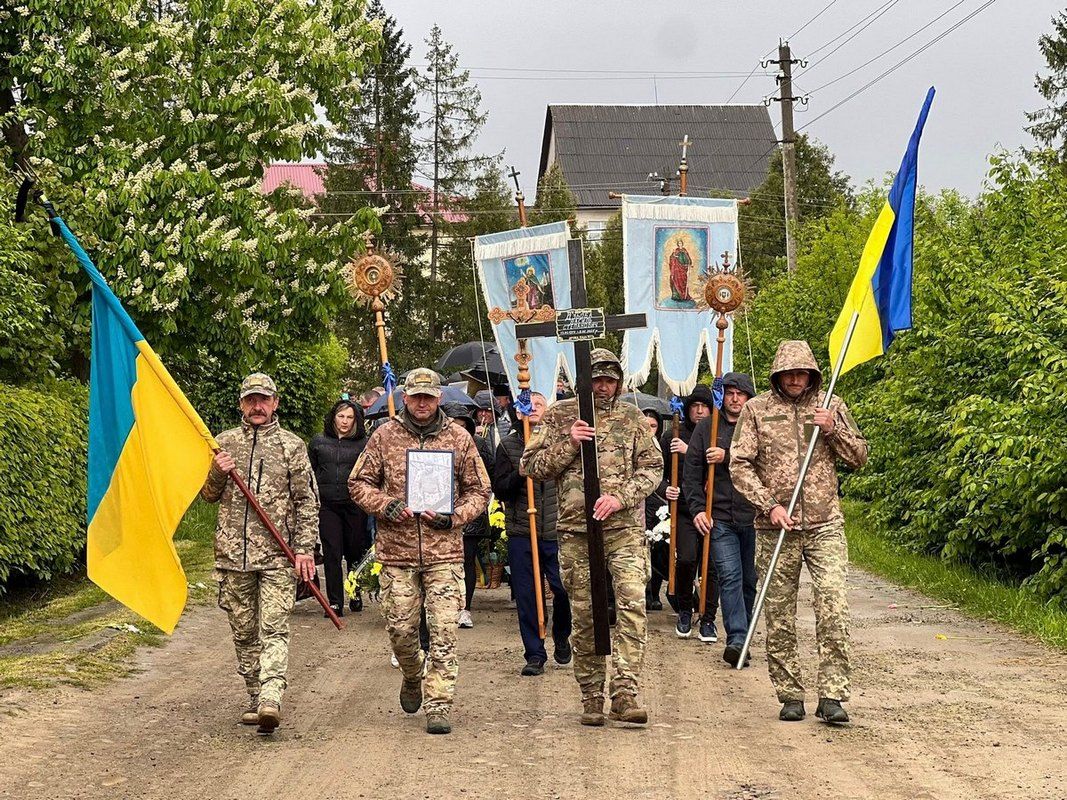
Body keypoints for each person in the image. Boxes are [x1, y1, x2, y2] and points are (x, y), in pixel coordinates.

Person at [521, 349, 663, 727]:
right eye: (596, 379)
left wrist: (621, 497)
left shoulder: (632, 417)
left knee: (632, 605)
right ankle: (591, 694)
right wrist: (569, 441)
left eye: (609, 379)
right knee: (584, 613)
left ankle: (625, 692)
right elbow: (530, 466)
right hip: (575, 531)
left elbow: (653, 468)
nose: (603, 386)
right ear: (584, 381)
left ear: (619, 380)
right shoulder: (560, 414)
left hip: (624, 531)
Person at [730, 341, 868, 724]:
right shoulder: (757, 410)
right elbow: (739, 464)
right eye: (788, 373)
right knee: (779, 613)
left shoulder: (830, 405)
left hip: (825, 524)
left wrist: (834, 429)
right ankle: (790, 693)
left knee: (834, 606)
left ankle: (833, 695)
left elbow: (859, 457)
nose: (795, 379)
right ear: (777, 375)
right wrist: (768, 504)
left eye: (801, 372)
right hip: (776, 527)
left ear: (811, 373)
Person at [349, 368, 491, 735]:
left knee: (444, 630)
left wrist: (454, 516)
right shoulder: (385, 436)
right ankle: (412, 674)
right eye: (417, 396)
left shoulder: (459, 438)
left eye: (430, 396)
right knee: (400, 630)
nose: (423, 403)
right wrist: (387, 505)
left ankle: (439, 702)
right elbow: (359, 483)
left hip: (444, 551)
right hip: (398, 552)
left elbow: (480, 490)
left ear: (439, 398)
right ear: (406, 397)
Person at [200, 373, 318, 734]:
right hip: (233, 556)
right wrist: (218, 474)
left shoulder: (291, 446)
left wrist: (304, 550)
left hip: (278, 556)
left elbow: (306, 501)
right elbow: (207, 495)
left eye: (263, 400)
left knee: (274, 628)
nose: (257, 406)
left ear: (275, 403)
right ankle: (255, 695)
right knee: (243, 631)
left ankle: (271, 696)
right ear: (241, 404)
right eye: (251, 400)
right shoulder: (223, 444)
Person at [492, 392, 573, 676]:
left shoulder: (561, 443)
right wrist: (520, 472)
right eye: (529, 406)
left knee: (563, 589)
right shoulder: (509, 446)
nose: (534, 410)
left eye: (540, 405)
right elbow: (499, 487)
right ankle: (534, 653)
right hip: (522, 530)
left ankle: (562, 634)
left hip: (555, 528)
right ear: (518, 413)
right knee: (527, 594)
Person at [682, 373, 757, 667]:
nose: (735, 399)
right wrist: (699, 509)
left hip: (755, 515)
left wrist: (727, 456)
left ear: (750, 397)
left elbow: (766, 463)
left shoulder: (757, 425)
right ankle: (737, 638)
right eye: (730, 393)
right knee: (729, 576)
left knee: (750, 581)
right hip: (720, 516)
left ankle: (746, 635)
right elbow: (692, 472)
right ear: (723, 396)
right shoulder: (706, 428)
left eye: (741, 394)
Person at [662, 385, 719, 643]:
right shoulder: (672, 435)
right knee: (686, 559)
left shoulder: (717, 433)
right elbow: (656, 470)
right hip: (684, 509)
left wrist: (691, 451)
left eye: (704, 406)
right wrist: (666, 489)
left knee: (712, 567)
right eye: (694, 405)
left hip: (714, 510)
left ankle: (708, 618)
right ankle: (685, 610)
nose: (699, 411)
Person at [308, 399, 370, 617]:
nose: (344, 422)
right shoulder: (318, 442)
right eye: (341, 416)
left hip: (355, 505)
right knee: (332, 552)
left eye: (349, 417)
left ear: (356, 420)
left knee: (354, 551)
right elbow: (311, 471)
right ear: (333, 417)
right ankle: (335, 602)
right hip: (327, 506)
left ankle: (354, 592)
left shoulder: (364, 443)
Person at [440, 402, 495, 629]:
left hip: (469, 511)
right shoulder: (436, 444)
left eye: (462, 425)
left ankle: (465, 608)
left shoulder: (478, 444)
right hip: (441, 511)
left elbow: (488, 473)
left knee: (467, 560)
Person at [641, 406, 670, 611]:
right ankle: (644, 591)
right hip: (639, 502)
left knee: (658, 546)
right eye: (646, 425)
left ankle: (655, 592)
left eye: (653, 425)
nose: (649, 429)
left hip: (658, 502)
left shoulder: (663, 446)